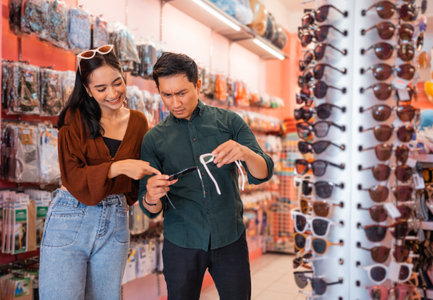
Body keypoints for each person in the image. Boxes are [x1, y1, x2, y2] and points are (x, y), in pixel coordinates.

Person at [138, 52, 274, 300]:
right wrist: (151, 194)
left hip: (229, 238)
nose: (175, 103)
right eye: (166, 95)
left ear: (198, 85)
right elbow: (149, 208)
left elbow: (263, 172)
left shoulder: (229, 122)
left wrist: (244, 152)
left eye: (182, 93)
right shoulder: (153, 140)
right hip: (181, 242)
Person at [39, 45, 159, 300]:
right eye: (101, 88)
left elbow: (136, 186)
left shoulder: (138, 122)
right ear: (86, 89)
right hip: (70, 217)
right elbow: (72, 177)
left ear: (124, 76)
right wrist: (119, 167)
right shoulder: (74, 119)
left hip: (115, 221)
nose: (113, 93)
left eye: (117, 83)